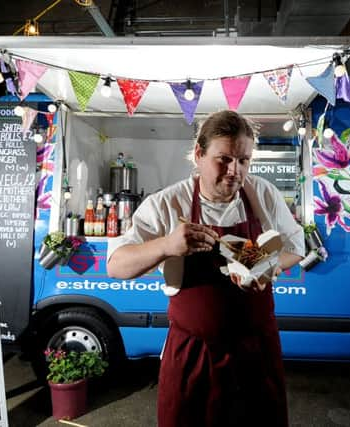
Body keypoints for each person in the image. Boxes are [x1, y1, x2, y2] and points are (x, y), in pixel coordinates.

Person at [107, 110, 304, 427]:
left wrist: (266, 265)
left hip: (257, 356)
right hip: (193, 358)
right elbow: (116, 265)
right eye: (223, 159)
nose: (234, 171)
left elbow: (296, 246)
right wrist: (167, 246)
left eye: (243, 160)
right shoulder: (167, 204)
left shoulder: (262, 194)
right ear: (198, 154)